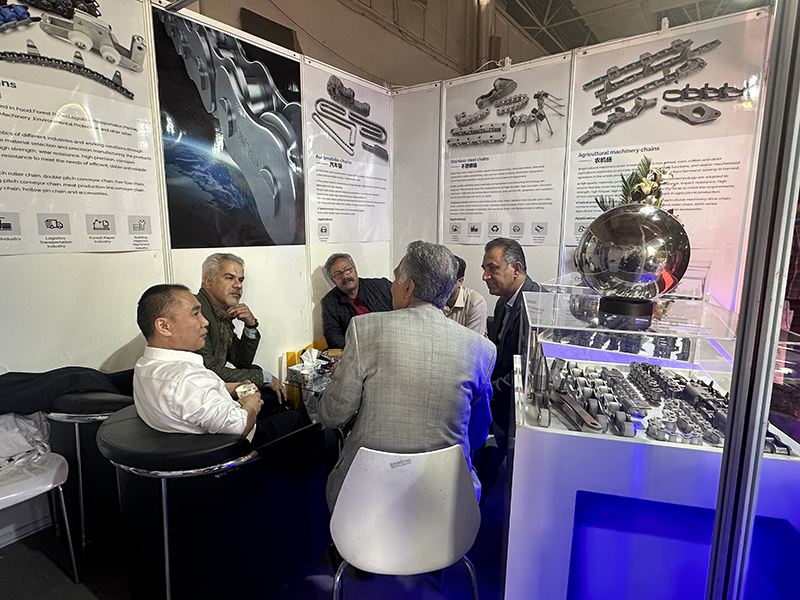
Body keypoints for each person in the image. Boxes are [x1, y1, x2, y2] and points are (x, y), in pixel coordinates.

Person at [317, 241, 496, 511]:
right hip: (447, 501)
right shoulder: (482, 350)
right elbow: (478, 433)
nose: (391, 286)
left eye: (396, 279)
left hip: (367, 498)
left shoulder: (364, 330)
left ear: (408, 288)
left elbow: (333, 415)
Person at [133, 284, 304, 445]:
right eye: (195, 314)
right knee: (294, 418)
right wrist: (250, 403)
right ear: (164, 326)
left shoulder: (144, 365)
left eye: (240, 279)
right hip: (228, 444)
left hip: (195, 428)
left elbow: (241, 361)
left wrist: (233, 387)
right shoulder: (187, 379)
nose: (204, 321)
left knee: (271, 398)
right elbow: (240, 427)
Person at [480, 237, 542, 469]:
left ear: (515, 269)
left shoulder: (536, 304)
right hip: (500, 396)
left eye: (492, 268)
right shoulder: (502, 302)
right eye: (484, 269)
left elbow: (529, 369)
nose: (485, 276)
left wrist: (488, 389)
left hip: (517, 407)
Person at [195, 253, 286, 403]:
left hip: (215, 383)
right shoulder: (198, 313)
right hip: (202, 392)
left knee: (256, 370)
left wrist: (250, 325)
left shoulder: (219, 312)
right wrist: (265, 378)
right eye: (229, 278)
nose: (238, 285)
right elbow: (209, 369)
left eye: (240, 280)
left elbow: (241, 362)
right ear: (208, 282)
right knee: (272, 398)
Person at [321, 253, 392, 349]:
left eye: (347, 270)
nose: (345, 276)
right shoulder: (330, 302)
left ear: (355, 270)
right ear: (333, 281)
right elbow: (333, 334)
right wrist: (352, 351)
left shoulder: (382, 286)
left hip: (389, 342)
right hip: (357, 350)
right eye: (338, 274)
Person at [443, 255, 489, 335]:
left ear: (460, 281)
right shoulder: (433, 297)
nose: (440, 285)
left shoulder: (476, 302)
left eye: (446, 280)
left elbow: (472, 340)